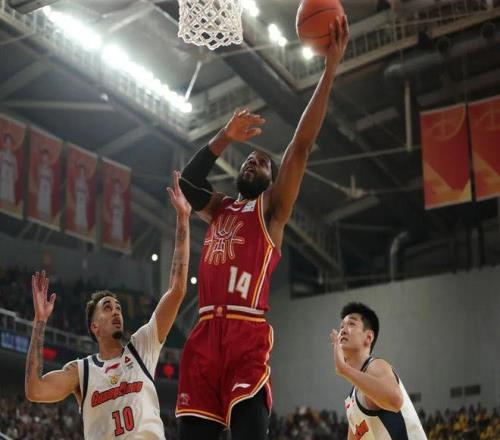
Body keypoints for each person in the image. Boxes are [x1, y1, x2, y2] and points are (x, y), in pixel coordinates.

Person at [176, 17, 350, 440]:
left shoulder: (271, 211)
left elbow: (301, 145)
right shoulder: (219, 207)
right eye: (250, 160)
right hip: (204, 333)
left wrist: (329, 70)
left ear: (272, 181)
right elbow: (188, 183)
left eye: (263, 163)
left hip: (245, 333)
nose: (254, 162)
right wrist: (224, 136)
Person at [24, 171, 191, 439]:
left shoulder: (142, 347)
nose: (116, 311)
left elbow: (177, 290)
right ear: (94, 326)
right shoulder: (82, 370)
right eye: (107, 307)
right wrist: (39, 323)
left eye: (118, 307)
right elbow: (35, 390)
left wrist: (183, 219)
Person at [330, 302, 427, 439]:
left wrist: (344, 368)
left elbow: (395, 400)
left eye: (351, 324)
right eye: (341, 327)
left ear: (368, 337)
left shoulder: (376, 366)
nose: (343, 330)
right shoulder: (352, 400)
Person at [0, 132, 18, 206]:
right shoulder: (1, 153)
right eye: (7, 143)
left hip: (10, 179)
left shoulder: (13, 158)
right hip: (2, 177)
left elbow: (15, 172)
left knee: (9, 199)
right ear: (4, 144)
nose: (8, 145)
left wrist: (13, 177)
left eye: (10, 143)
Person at [37, 148, 53, 219]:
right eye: (44, 157)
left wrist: (51, 188)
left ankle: (46, 215)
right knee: (41, 199)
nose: (45, 159)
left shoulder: (50, 170)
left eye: (46, 158)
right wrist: (40, 186)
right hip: (42, 185)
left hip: (48, 187)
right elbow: (38, 178)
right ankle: (40, 214)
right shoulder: (39, 167)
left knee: (47, 200)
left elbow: (52, 181)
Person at [74, 163, 89, 232]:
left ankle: (83, 226)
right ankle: (78, 226)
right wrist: (77, 196)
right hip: (79, 197)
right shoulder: (77, 180)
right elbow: (75, 190)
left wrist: (87, 198)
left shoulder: (85, 182)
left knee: (83, 212)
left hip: (83, 198)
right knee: (78, 211)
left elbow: (87, 192)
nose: (81, 173)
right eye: (80, 171)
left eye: (83, 171)